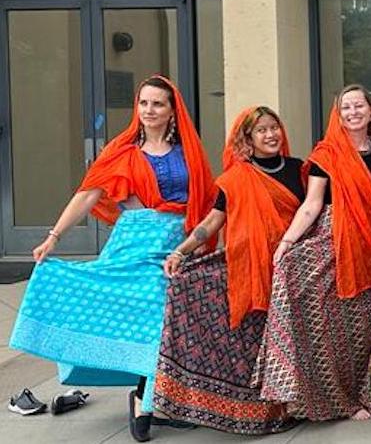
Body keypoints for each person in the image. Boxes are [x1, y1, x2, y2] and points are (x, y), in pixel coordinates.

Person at [8, 75, 216, 442]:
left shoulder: (190, 153)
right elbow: (87, 196)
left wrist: (198, 245)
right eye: (144, 103)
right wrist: (53, 237)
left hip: (175, 248)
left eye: (158, 104)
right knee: (151, 316)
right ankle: (143, 399)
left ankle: (151, 397)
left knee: (167, 323)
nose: (149, 110)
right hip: (132, 247)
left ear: (172, 111)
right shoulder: (122, 152)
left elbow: (206, 201)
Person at [153, 106, 302, 435]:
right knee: (189, 286)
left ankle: (290, 407)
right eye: (261, 130)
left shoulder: (299, 171)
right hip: (247, 270)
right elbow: (212, 223)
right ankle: (247, 413)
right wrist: (180, 251)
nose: (270, 135)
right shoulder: (235, 179)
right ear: (248, 139)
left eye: (274, 127)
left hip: (288, 271)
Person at [257, 85, 371, 422]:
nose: (353, 112)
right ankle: (308, 395)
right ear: (338, 114)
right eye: (346, 107)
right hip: (331, 242)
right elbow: (312, 204)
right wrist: (287, 243)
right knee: (322, 322)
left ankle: (359, 397)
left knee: (360, 332)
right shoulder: (326, 154)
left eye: (359, 106)